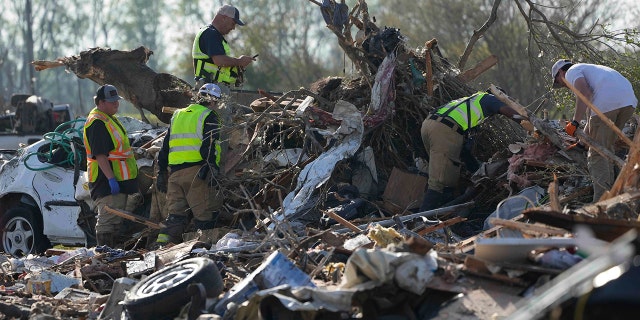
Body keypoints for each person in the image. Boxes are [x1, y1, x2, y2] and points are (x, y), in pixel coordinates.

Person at [419, 89, 532, 211]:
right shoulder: (490, 98)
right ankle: (421, 221)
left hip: (429, 124)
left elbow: (464, 151)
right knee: (439, 182)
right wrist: (531, 125)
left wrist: (475, 169)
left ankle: (436, 214)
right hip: (445, 130)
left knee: (446, 174)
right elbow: (509, 112)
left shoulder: (470, 101)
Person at [552, 59, 638, 202]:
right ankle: (614, 197)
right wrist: (582, 142)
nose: (563, 85)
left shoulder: (572, 72)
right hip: (628, 102)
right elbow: (591, 117)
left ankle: (601, 202)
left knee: (597, 155)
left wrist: (574, 123)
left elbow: (584, 95)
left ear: (560, 72)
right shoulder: (592, 71)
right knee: (606, 149)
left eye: (559, 82)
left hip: (608, 104)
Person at [155, 83, 225, 246]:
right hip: (196, 174)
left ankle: (161, 249)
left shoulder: (178, 114)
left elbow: (166, 146)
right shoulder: (210, 115)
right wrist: (212, 167)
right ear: (213, 101)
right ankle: (204, 252)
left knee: (175, 218)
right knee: (204, 218)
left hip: (175, 175)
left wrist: (161, 171)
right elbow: (210, 145)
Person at [83, 84, 139, 247]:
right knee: (107, 220)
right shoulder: (97, 122)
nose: (116, 104)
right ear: (100, 102)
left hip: (117, 180)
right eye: (111, 101)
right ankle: (104, 255)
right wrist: (111, 179)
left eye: (117, 100)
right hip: (105, 181)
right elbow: (100, 155)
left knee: (115, 221)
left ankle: (113, 256)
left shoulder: (108, 119)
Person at [192, 4, 256, 95]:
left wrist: (237, 67)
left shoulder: (212, 34)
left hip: (211, 88)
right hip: (210, 89)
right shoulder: (210, 34)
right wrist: (239, 61)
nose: (233, 28)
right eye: (233, 23)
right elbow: (219, 61)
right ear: (224, 18)